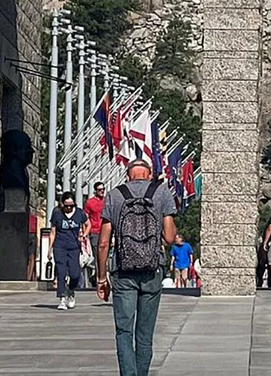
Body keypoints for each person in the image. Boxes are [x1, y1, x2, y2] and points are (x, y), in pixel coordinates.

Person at [97, 159, 177, 376]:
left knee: (124, 329)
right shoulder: (161, 193)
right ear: (149, 174)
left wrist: (102, 278)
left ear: (128, 175)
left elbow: (103, 242)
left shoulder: (114, 195)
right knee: (145, 332)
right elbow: (170, 238)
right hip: (152, 270)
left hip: (123, 271)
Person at [49, 191, 89, 311]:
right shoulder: (57, 214)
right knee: (61, 271)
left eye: (71, 205)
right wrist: (49, 249)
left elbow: (88, 224)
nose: (68, 208)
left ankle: (71, 291)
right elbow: (53, 232)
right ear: (62, 204)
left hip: (74, 247)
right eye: (66, 205)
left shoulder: (79, 213)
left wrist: (84, 235)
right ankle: (62, 298)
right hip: (60, 246)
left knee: (74, 273)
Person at [84, 182, 107, 286]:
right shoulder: (90, 203)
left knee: (105, 255)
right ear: (95, 191)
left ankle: (103, 276)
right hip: (94, 231)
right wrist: (85, 233)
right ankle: (99, 277)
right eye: (99, 190)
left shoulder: (107, 201)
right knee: (98, 255)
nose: (102, 191)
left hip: (106, 231)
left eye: (103, 189)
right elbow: (85, 218)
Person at [27, 199, 46, 281]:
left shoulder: (36, 217)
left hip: (31, 235)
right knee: (31, 258)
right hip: (32, 235)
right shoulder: (37, 217)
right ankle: (30, 276)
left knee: (31, 258)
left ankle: (29, 277)